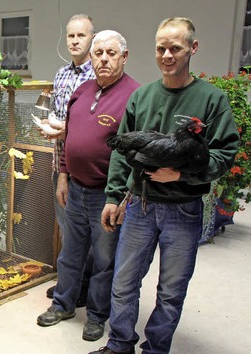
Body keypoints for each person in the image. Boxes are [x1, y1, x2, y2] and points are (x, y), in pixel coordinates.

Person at [92, 17, 239, 354]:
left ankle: (155, 349)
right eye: (161, 48)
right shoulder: (142, 97)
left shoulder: (211, 100)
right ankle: (119, 344)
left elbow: (225, 154)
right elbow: (121, 155)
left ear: (193, 48)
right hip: (140, 206)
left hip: (183, 210)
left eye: (176, 47)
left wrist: (183, 176)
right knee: (124, 282)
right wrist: (114, 197)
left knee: (171, 290)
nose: (167, 55)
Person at [37, 30, 139, 343]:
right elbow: (69, 138)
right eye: (99, 54)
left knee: (104, 260)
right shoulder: (81, 91)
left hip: (107, 195)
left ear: (124, 56)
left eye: (111, 53)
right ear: (91, 58)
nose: (104, 59)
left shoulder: (134, 95)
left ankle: (96, 316)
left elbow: (135, 153)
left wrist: (123, 197)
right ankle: (63, 304)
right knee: (70, 252)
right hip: (76, 188)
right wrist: (64, 176)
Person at [41, 13, 97, 304]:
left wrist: (67, 129)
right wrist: (49, 126)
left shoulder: (99, 74)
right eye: (71, 36)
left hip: (85, 169)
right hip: (58, 164)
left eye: (81, 35)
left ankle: (84, 288)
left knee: (86, 231)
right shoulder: (61, 74)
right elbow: (59, 115)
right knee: (66, 228)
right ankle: (69, 282)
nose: (75, 41)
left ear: (92, 38)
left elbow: (94, 123)